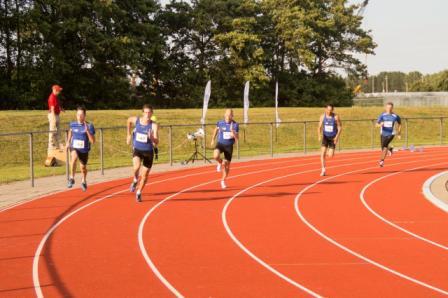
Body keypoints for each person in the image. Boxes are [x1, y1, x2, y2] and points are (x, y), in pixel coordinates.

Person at [127, 104, 159, 202]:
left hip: (148, 152)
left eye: (149, 112)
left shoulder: (154, 125)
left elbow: (157, 141)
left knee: (145, 176)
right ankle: (135, 180)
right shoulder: (136, 120)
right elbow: (128, 120)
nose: (147, 114)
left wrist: (152, 137)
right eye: (145, 112)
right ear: (143, 113)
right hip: (137, 149)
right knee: (136, 167)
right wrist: (128, 134)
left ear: (152, 113)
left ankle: (139, 192)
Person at [66, 106, 95, 191]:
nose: (79, 116)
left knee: (83, 167)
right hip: (74, 147)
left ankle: (83, 180)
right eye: (78, 114)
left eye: (81, 115)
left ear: (85, 115)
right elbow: (70, 131)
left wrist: (87, 131)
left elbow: (93, 141)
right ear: (76, 115)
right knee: (74, 158)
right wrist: (68, 141)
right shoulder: (72, 124)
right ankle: (71, 178)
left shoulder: (89, 126)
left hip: (84, 149)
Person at [210, 109, 239, 189]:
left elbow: (237, 139)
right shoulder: (220, 122)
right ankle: (220, 162)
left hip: (229, 146)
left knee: (227, 166)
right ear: (224, 115)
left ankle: (223, 181)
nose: (229, 116)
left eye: (230, 115)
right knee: (215, 156)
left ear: (232, 116)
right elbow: (216, 129)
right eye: (227, 114)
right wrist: (213, 139)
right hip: (220, 144)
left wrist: (233, 132)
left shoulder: (235, 124)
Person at [318, 104, 342, 176]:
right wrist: (319, 135)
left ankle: (330, 150)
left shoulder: (336, 117)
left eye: (331, 110)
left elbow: (340, 127)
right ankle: (323, 169)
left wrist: (337, 137)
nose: (329, 111)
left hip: (333, 137)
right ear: (325, 109)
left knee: (330, 155)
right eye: (328, 110)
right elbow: (319, 127)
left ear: (332, 110)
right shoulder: (322, 117)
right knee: (322, 154)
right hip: (325, 137)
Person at [376, 102, 401, 167]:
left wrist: (399, 133)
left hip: (391, 133)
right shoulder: (382, 115)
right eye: (388, 108)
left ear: (392, 108)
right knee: (383, 147)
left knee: (384, 145)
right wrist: (380, 125)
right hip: (383, 133)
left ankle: (381, 161)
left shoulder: (395, 116)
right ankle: (390, 149)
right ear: (385, 108)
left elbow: (400, 123)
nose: (389, 109)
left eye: (390, 108)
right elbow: (376, 124)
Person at [47, 85, 64, 152]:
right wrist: (53, 118)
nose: (59, 92)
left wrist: (61, 109)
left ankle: (59, 144)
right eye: (58, 90)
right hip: (53, 115)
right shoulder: (52, 97)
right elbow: (52, 108)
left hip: (56, 115)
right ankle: (51, 144)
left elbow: (57, 105)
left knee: (58, 130)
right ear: (55, 90)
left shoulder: (55, 97)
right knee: (52, 130)